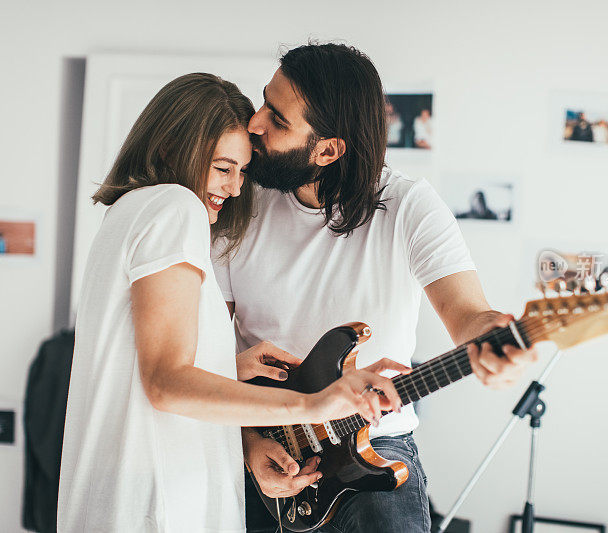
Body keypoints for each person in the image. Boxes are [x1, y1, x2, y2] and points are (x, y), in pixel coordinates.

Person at [57, 73, 407, 533]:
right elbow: (166, 383)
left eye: (242, 171)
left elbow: (138, 367)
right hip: (160, 505)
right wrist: (313, 406)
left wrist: (225, 365)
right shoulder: (174, 208)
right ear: (169, 148)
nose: (237, 188)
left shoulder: (127, 212)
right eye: (223, 168)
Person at [211, 43, 537, 533]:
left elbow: (468, 315)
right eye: (264, 103)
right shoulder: (236, 200)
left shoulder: (409, 206)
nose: (253, 124)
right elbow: (204, 345)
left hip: (372, 445)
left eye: (277, 120)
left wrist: (495, 335)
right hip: (257, 430)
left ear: (327, 150)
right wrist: (245, 443)